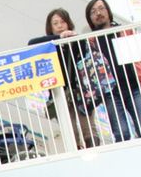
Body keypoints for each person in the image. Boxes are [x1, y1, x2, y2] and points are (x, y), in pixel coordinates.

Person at [30, 9, 102, 149]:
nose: (59, 26)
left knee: (88, 126)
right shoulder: (48, 45)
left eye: (63, 22)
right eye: (55, 23)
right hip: (60, 94)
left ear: (68, 23)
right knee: (71, 130)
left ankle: (94, 151)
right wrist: (58, 38)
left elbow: (85, 52)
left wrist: (72, 38)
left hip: (81, 91)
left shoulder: (76, 40)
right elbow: (31, 43)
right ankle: (78, 152)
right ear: (50, 28)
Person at [84, 0, 141, 142]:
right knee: (121, 133)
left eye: (101, 8)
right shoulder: (90, 40)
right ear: (90, 18)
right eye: (93, 12)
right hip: (110, 92)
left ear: (108, 11)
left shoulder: (124, 30)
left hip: (134, 85)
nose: (98, 13)